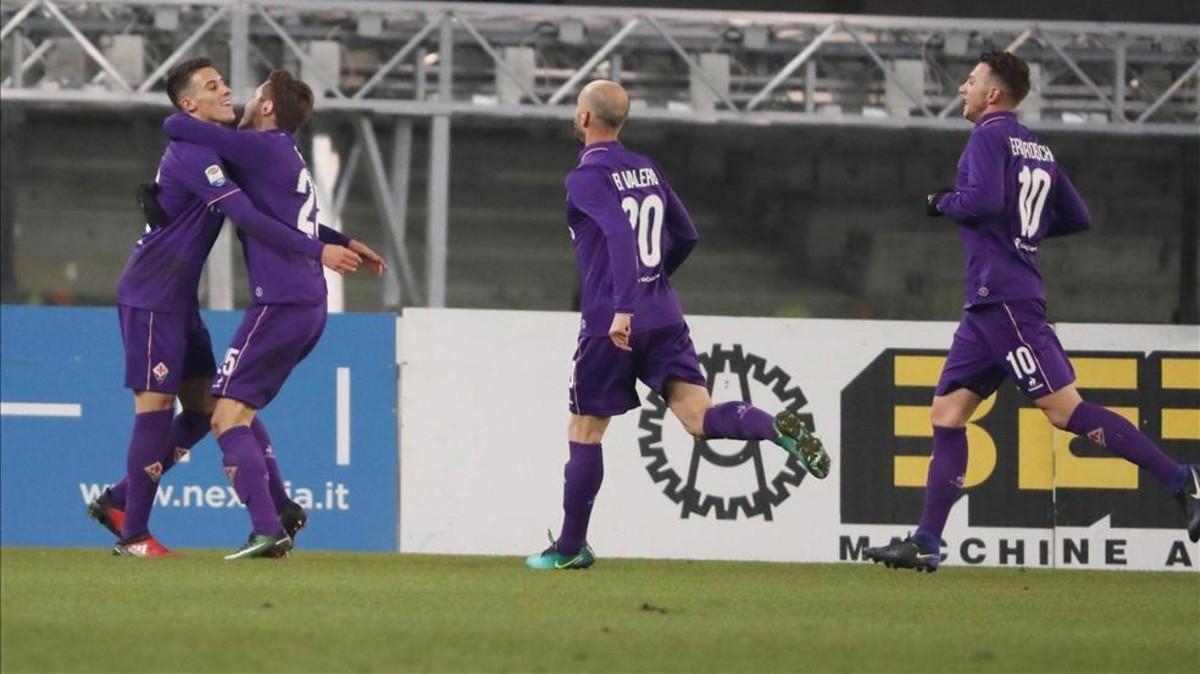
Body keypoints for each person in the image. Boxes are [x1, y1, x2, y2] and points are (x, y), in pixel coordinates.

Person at [864, 52, 1200, 572]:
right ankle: (926, 540)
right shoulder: (1037, 147)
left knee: (1065, 412)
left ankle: (1182, 480)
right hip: (988, 305)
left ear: (993, 94)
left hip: (1004, 299)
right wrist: (1027, 233)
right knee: (947, 415)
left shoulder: (987, 137)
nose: (963, 89)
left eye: (971, 81)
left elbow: (981, 202)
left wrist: (941, 201)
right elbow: (1078, 216)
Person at [524, 80, 832, 571]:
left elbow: (620, 236)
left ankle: (569, 547)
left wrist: (625, 306)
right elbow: (686, 234)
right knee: (699, 418)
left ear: (584, 118)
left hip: (611, 323)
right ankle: (773, 428)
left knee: (585, 430)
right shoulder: (647, 168)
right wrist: (653, 283)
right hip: (664, 316)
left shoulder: (585, 177)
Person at [87, 58, 365, 557]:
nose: (226, 92)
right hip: (151, 294)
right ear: (189, 102)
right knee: (156, 410)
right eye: (212, 86)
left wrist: (338, 240)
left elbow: (274, 210)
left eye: (225, 84)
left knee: (206, 410)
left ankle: (121, 499)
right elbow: (244, 214)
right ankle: (134, 536)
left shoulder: (223, 148)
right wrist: (321, 251)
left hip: (179, 297)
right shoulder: (193, 152)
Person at [160, 69, 386, 559]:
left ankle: (267, 531)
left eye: (255, 94)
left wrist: (323, 250)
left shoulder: (259, 146)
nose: (238, 98)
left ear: (266, 108)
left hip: (281, 301)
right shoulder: (285, 152)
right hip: (305, 303)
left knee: (225, 418)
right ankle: (281, 511)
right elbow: (296, 218)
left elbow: (175, 125)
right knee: (240, 408)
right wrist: (343, 241)